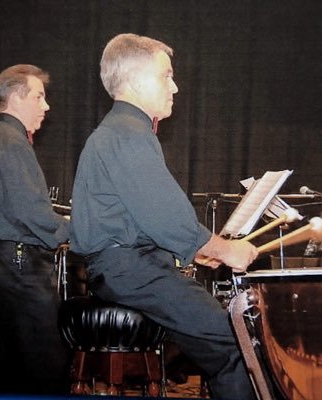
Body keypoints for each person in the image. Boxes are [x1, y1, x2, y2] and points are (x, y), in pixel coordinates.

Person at [70, 33, 258, 400]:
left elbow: (140, 214)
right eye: (166, 75)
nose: (175, 86)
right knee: (239, 345)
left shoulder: (119, 131)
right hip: (131, 271)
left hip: (125, 268)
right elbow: (165, 216)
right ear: (138, 80)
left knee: (226, 344)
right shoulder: (128, 132)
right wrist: (223, 250)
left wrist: (195, 249)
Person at [0, 64, 70, 394]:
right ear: (15, 97)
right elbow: (31, 213)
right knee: (44, 367)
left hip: (3, 267)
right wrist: (76, 230)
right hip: (19, 270)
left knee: (4, 367)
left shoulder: (0, 137)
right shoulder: (10, 141)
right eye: (39, 97)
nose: (46, 106)